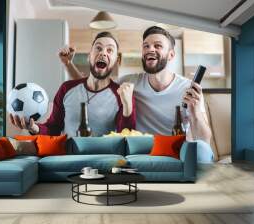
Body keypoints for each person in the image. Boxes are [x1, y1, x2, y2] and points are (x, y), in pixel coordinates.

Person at [59, 26, 214, 162]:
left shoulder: (188, 88)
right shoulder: (130, 82)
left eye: (157, 45)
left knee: (201, 150)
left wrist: (194, 113)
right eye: (146, 46)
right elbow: (93, 82)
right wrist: (68, 64)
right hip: (143, 152)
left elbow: (204, 139)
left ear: (171, 55)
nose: (150, 49)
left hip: (176, 151)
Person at [10, 31, 136, 137]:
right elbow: (53, 128)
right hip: (68, 159)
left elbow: (125, 137)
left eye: (110, 50)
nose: (103, 53)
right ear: (89, 56)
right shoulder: (66, 88)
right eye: (98, 48)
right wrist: (34, 128)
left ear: (116, 61)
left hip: (103, 161)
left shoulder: (122, 95)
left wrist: (127, 106)